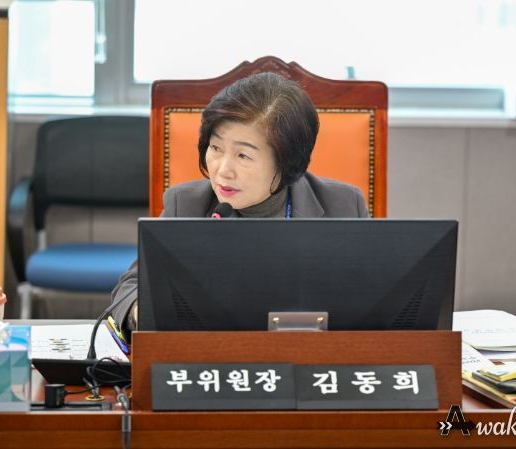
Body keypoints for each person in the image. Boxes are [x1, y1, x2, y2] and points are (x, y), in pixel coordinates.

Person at [110, 72, 368, 337]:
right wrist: (144, 312)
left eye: (243, 155)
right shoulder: (187, 205)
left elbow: (371, 298)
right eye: (216, 148)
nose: (223, 170)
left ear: (287, 162)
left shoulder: (343, 205)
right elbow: (130, 289)